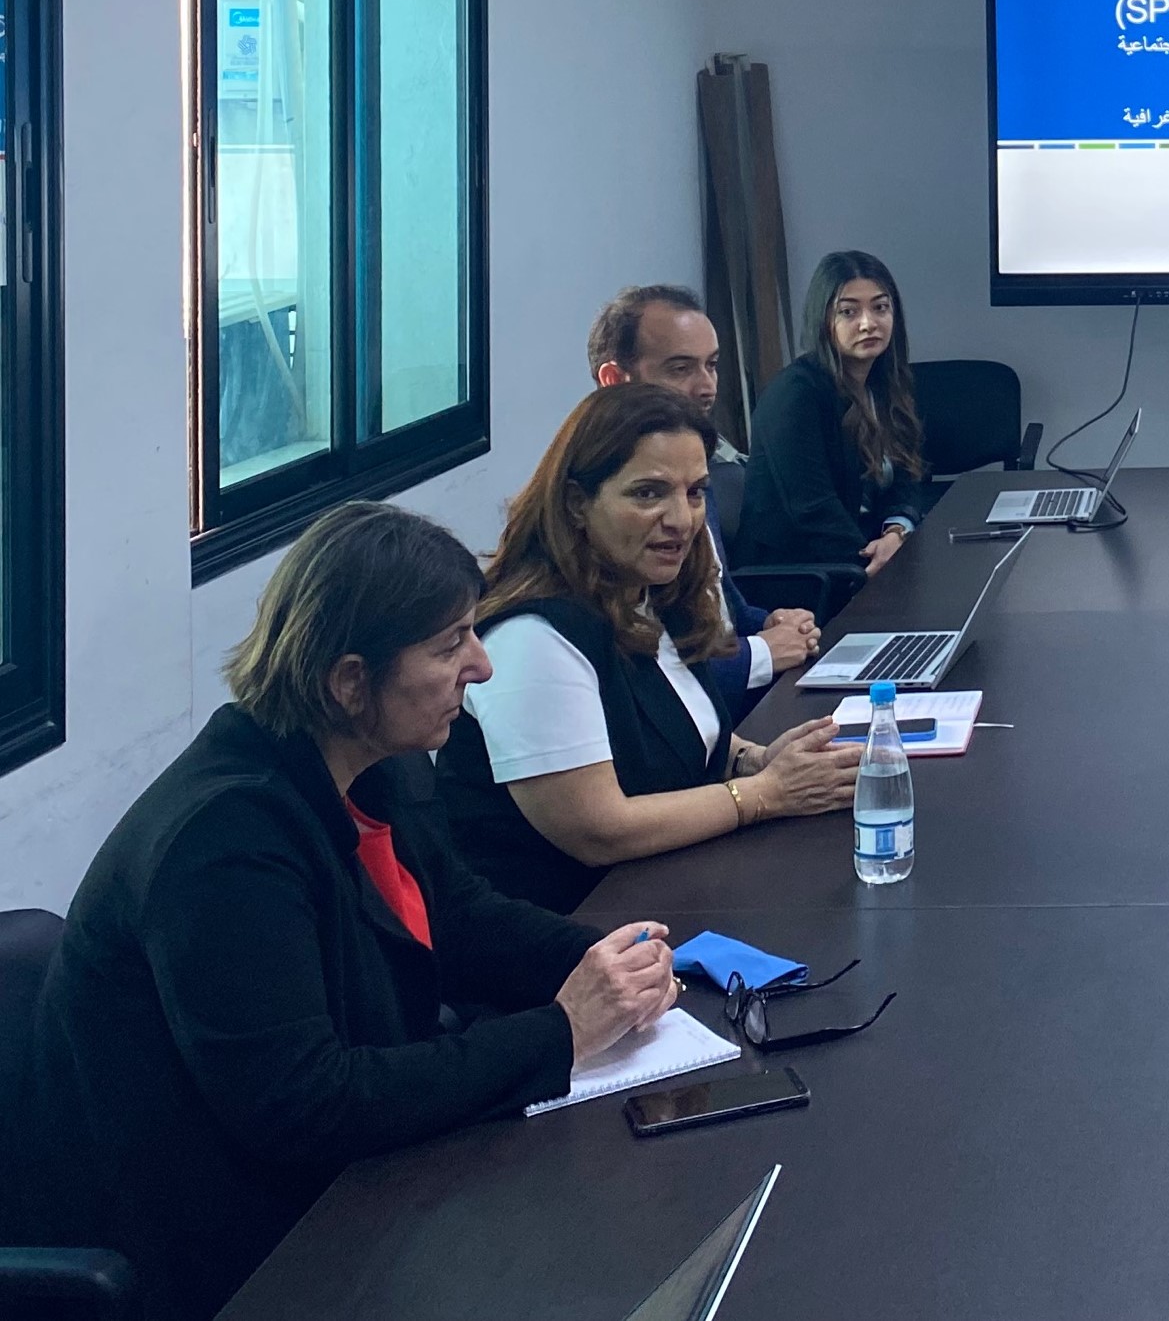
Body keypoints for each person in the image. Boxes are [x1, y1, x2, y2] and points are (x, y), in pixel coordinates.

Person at [13, 503, 683, 1321]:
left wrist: (621, 965)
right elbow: (308, 1106)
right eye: (450, 645)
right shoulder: (224, 845)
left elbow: (462, 920)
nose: (482, 667)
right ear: (350, 681)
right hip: (224, 1255)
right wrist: (562, 1031)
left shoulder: (371, 764)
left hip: (341, 1191)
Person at [438, 385, 863, 912]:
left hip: (671, 894)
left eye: (695, 492)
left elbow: (676, 737)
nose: (682, 519)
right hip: (575, 940)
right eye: (648, 493)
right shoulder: (531, 638)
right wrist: (767, 795)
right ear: (576, 503)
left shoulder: (652, 596)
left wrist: (757, 761)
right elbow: (598, 831)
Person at [587, 284, 821, 712]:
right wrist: (764, 653)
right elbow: (649, 682)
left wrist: (769, 622)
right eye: (680, 369)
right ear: (614, 380)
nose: (707, 387)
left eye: (711, 366)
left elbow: (720, 604)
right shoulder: (601, 506)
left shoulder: (692, 473)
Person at [736, 250, 928, 575]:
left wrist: (896, 533)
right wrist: (873, 562)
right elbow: (812, 511)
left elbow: (907, 475)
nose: (868, 323)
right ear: (823, 320)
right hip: (800, 578)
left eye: (880, 307)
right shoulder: (795, 394)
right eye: (848, 312)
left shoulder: (886, 385)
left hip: (860, 558)